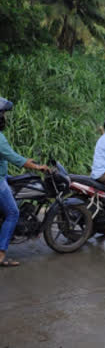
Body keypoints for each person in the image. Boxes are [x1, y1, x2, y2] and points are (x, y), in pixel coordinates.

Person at [0, 98, 49, 268]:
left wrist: (24, 160)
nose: (4, 117)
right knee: (13, 213)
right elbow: (15, 159)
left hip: (3, 176)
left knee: (17, 191)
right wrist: (37, 166)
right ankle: (1, 255)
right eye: (3, 114)